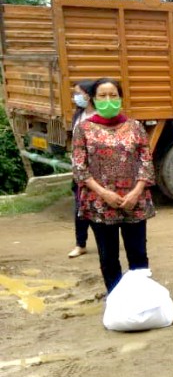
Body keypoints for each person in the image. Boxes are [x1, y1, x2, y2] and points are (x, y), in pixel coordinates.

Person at [71, 78, 155, 293]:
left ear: (120, 98)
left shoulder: (135, 127)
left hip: (133, 203)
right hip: (100, 203)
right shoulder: (83, 129)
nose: (108, 100)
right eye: (102, 96)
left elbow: (146, 161)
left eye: (113, 95)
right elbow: (80, 167)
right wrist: (103, 193)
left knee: (138, 253)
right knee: (108, 256)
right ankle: (116, 298)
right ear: (93, 99)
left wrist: (136, 192)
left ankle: (142, 297)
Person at [68, 80, 96, 258]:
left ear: (88, 94)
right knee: (80, 207)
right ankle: (80, 244)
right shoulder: (78, 115)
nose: (75, 97)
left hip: (97, 171)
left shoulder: (100, 115)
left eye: (78, 93)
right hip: (80, 171)